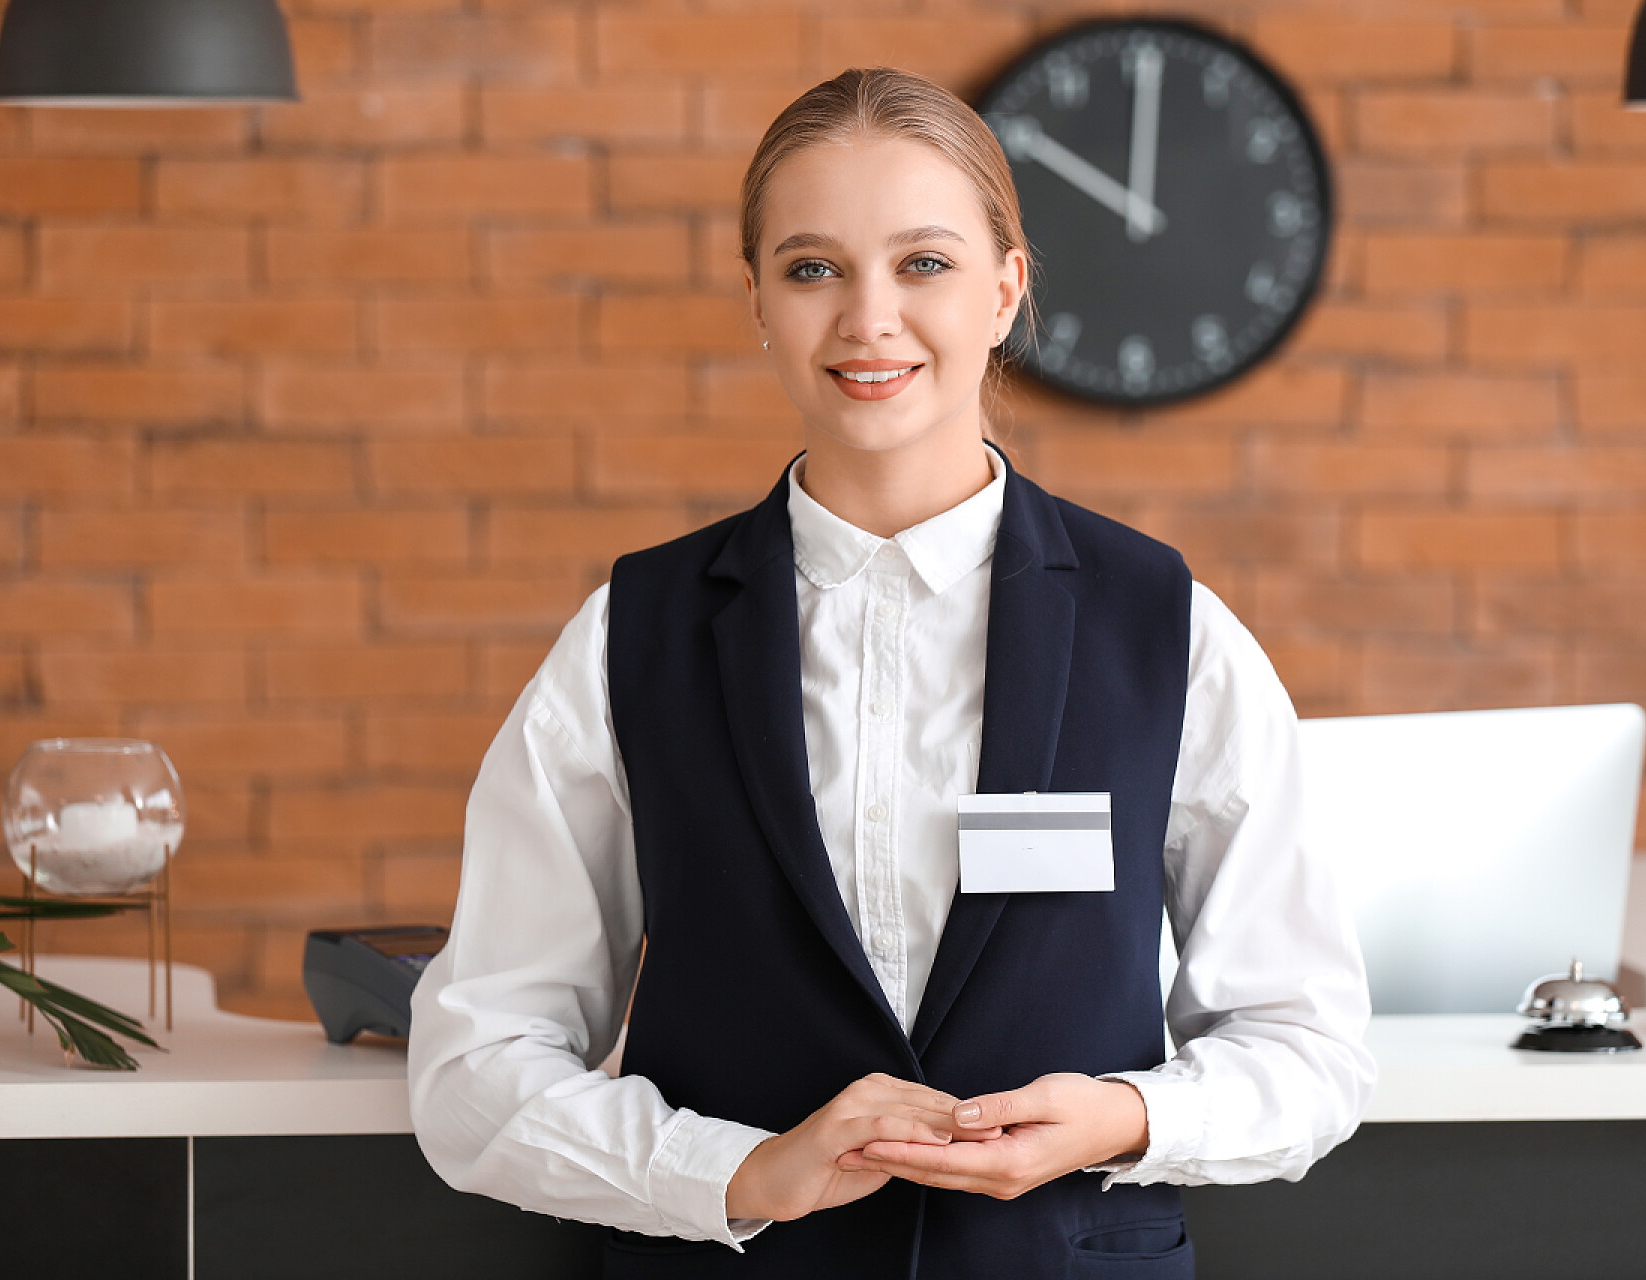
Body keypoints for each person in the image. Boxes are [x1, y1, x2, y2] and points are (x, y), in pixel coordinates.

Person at [408, 66, 1375, 1279]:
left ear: (1007, 289)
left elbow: (1312, 1042)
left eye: (924, 264)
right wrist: (737, 1173)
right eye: (814, 268)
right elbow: (472, 1066)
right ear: (757, 297)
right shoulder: (632, 633)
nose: (869, 319)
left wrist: (1130, 1116)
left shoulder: (1167, 628)